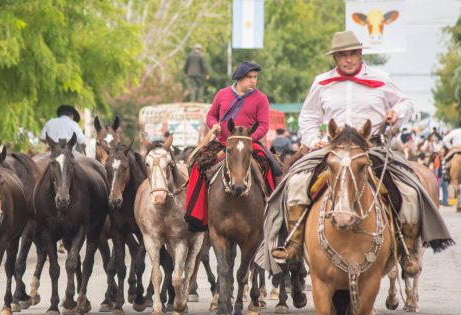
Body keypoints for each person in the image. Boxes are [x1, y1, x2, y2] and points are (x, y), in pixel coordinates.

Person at [259, 30, 454, 277]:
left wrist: (396, 114)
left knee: (410, 190)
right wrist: (314, 140)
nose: (348, 59)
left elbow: (405, 103)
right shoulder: (322, 82)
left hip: (372, 148)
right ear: (335, 58)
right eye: (342, 55)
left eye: (352, 54)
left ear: (360, 54)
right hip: (333, 148)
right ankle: (295, 245)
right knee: (294, 183)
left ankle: (407, 251)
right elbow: (308, 117)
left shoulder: (381, 78)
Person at [184, 61, 275, 232]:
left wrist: (247, 139)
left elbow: (263, 125)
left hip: (249, 144)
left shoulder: (261, 98)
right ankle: (197, 216)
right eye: (249, 77)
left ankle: (272, 216)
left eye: (255, 77)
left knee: (272, 168)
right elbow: (210, 116)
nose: (253, 81)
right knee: (198, 165)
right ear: (239, 78)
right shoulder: (222, 94)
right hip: (222, 143)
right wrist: (214, 124)